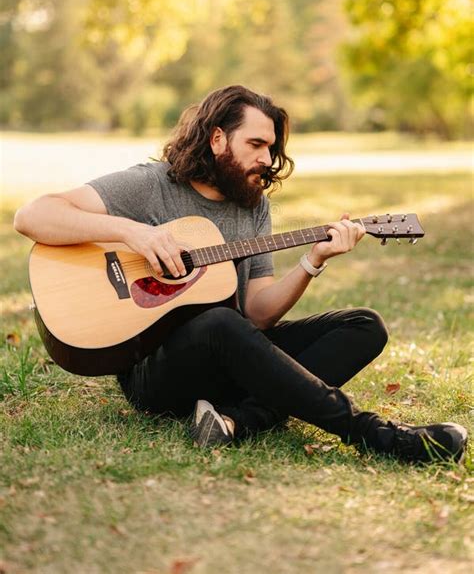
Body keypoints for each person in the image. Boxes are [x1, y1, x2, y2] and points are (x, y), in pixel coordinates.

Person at [14, 85, 467, 464]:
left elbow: (258, 313)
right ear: (216, 139)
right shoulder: (152, 185)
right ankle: (375, 435)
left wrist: (313, 262)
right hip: (155, 374)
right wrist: (133, 233)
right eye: (256, 145)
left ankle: (234, 421)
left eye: (272, 148)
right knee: (218, 323)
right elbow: (34, 215)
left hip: (231, 353)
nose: (268, 159)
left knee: (364, 326)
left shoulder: (254, 206)